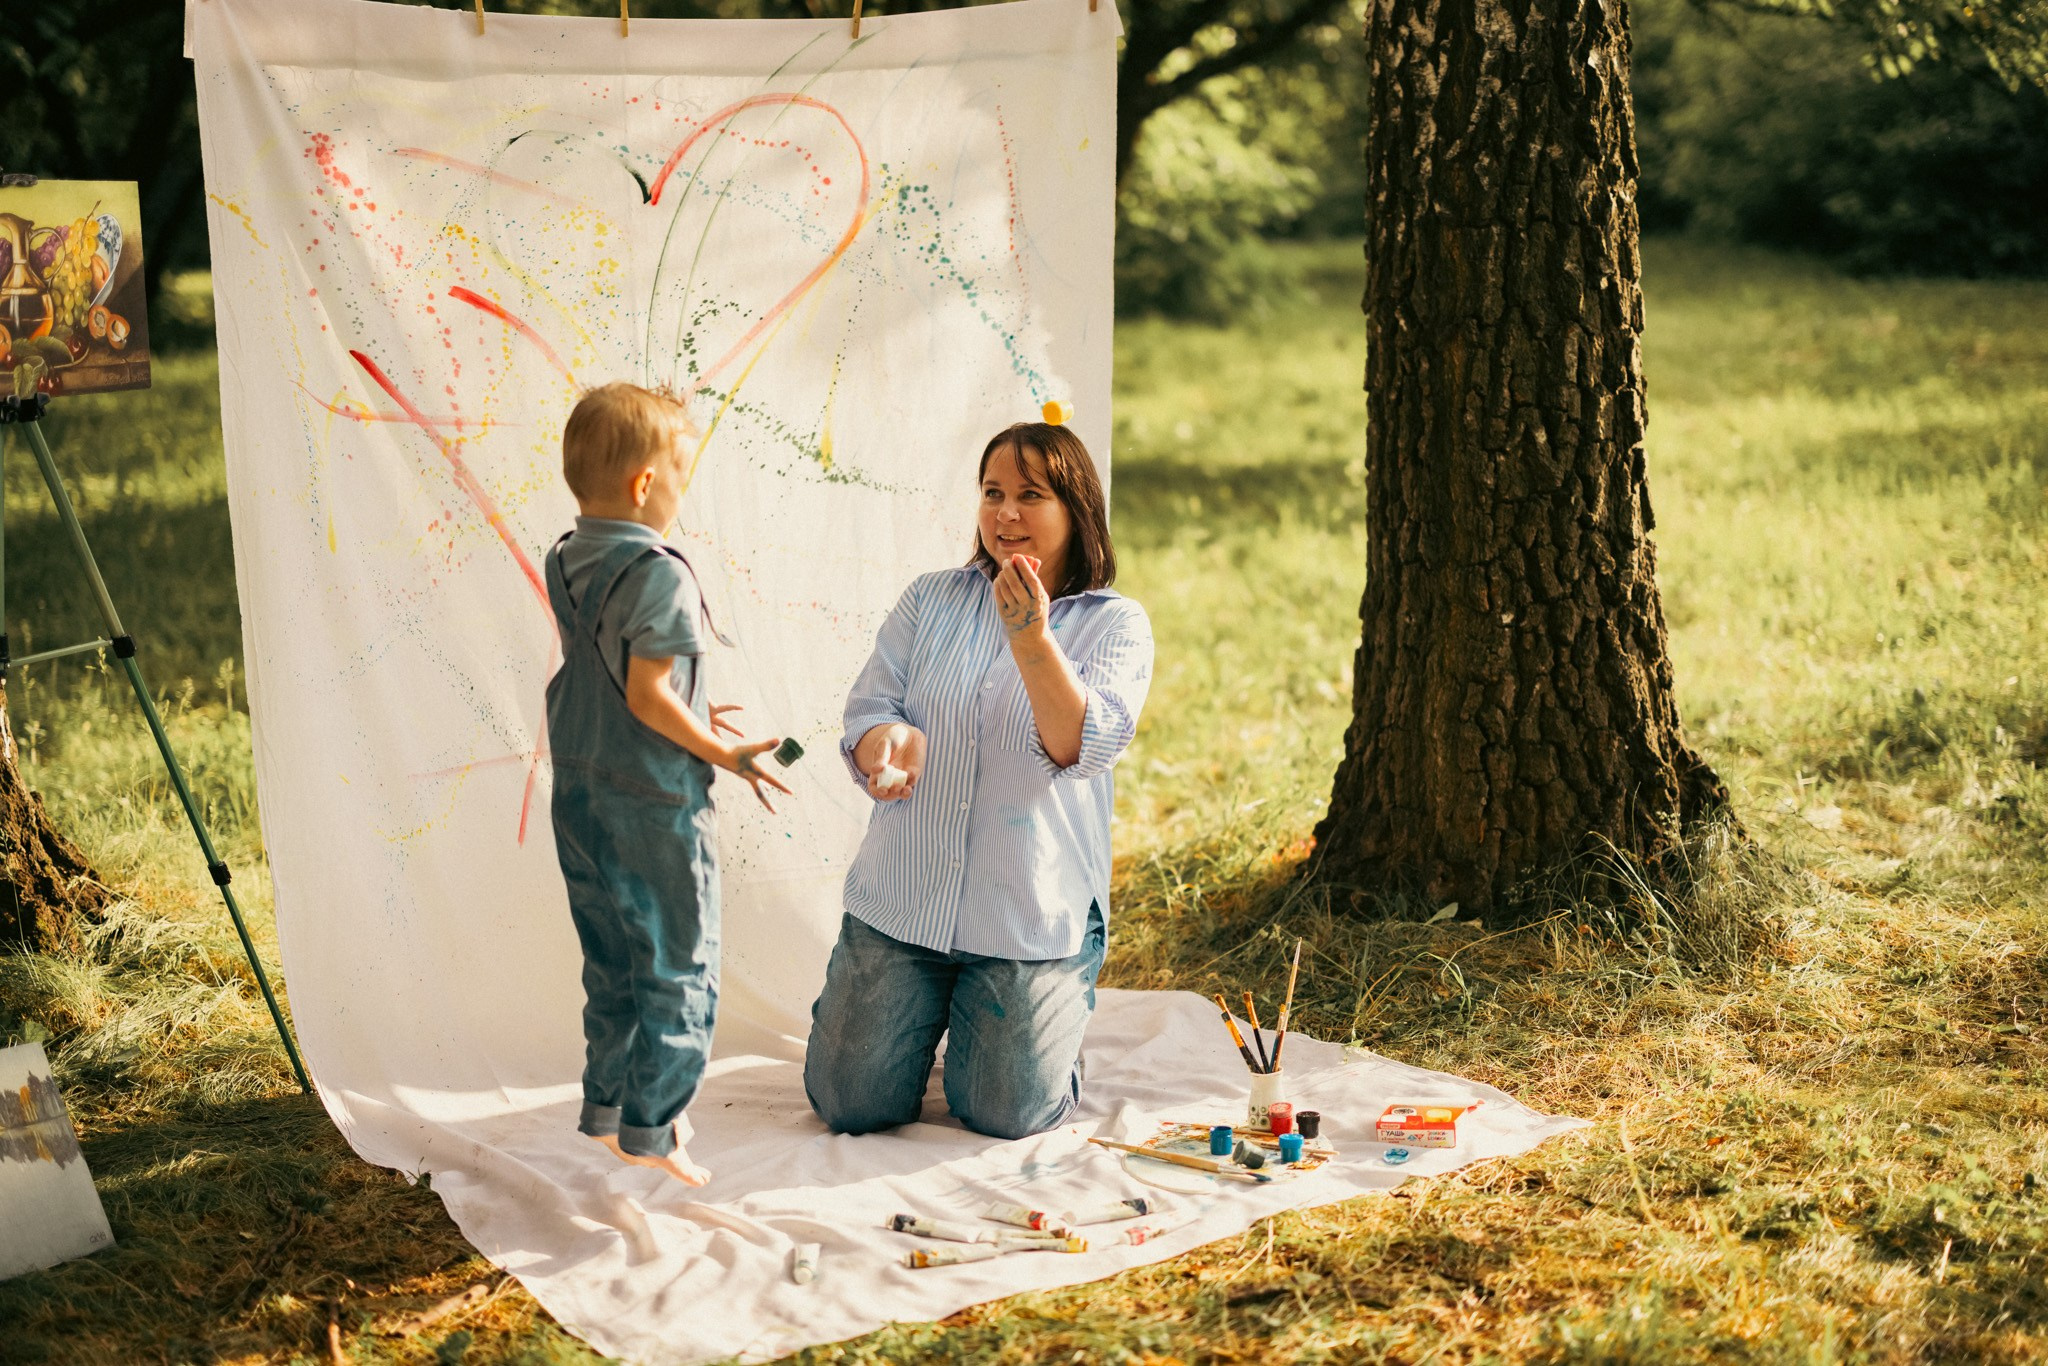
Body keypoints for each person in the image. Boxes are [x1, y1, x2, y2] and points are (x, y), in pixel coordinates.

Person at [804, 418, 1154, 1139]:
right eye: (993, 492)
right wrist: (882, 743)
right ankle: (939, 1010)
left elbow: (1082, 746)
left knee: (1007, 1112)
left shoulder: (1115, 624)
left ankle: (1045, 1030)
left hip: (1029, 915)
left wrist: (1032, 638)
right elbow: (873, 706)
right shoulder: (930, 599)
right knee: (847, 1103)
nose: (1006, 513)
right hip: (905, 901)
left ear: (1077, 509)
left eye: (1031, 495)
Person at [545, 382, 790, 1185]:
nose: (683, 497)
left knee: (610, 959)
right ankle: (656, 1129)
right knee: (679, 962)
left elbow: (616, 672)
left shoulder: (566, 555)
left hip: (579, 789)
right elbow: (649, 695)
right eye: (681, 479)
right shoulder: (661, 573)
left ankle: (606, 1111)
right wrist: (727, 753)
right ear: (646, 484)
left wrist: (688, 701)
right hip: (650, 803)